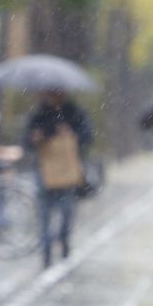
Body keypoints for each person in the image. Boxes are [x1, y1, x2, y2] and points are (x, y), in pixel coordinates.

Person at [26, 89, 93, 266]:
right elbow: (27, 140)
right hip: (45, 172)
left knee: (67, 212)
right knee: (44, 214)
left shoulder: (73, 112)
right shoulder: (38, 115)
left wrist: (72, 135)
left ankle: (64, 240)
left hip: (67, 172)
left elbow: (87, 135)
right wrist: (36, 137)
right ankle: (46, 250)